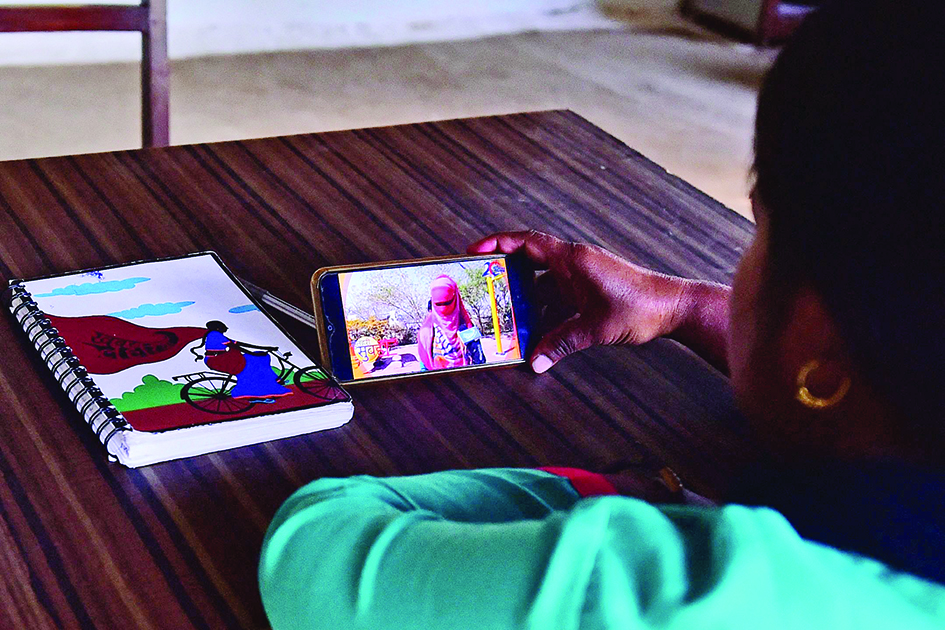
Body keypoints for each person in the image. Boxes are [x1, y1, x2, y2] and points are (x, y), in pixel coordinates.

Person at [259, 2, 945, 627]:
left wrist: (610, 493)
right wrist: (680, 307)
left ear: (810, 330)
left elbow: (314, 545)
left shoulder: (664, 586)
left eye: (757, 227)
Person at [194, 320, 291, 399]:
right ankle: (256, 393)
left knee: (259, 357)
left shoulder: (216, 334)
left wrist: (264, 347)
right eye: (223, 326)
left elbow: (239, 344)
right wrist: (252, 353)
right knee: (251, 365)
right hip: (218, 360)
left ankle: (273, 380)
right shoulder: (215, 334)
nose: (226, 328)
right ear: (218, 328)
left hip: (222, 358)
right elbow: (235, 347)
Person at [416, 275, 476, 370]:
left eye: (447, 303)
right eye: (438, 304)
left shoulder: (467, 327)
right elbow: (424, 366)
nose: (443, 308)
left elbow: (479, 359)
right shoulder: (426, 331)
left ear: (455, 298)